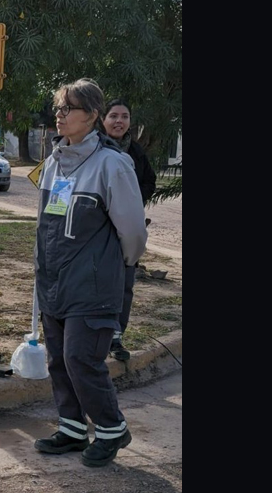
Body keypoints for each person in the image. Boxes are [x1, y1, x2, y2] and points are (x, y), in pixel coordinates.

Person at [32, 79, 148, 468]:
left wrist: (118, 269)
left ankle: (112, 428)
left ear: (93, 116)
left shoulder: (112, 164)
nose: (60, 116)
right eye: (59, 108)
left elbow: (132, 230)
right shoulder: (53, 162)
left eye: (69, 109)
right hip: (54, 280)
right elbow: (45, 223)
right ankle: (72, 427)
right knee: (58, 360)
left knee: (81, 357)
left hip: (93, 283)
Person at [102, 99, 157, 360]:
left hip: (126, 227)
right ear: (102, 119)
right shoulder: (93, 147)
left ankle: (116, 336)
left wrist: (131, 202)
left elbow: (149, 181)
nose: (119, 121)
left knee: (125, 282)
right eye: (113, 116)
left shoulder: (136, 151)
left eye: (124, 116)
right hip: (99, 227)